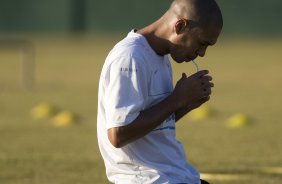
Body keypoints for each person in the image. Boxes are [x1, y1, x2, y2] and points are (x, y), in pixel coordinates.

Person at [97, 0, 223, 183]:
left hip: (174, 175)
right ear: (180, 26)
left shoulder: (160, 56)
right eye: (202, 43)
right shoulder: (130, 57)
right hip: (146, 179)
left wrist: (184, 105)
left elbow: (152, 127)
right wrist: (177, 99)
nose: (202, 53)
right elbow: (118, 134)